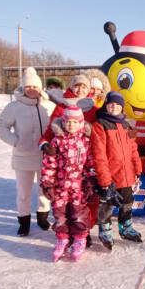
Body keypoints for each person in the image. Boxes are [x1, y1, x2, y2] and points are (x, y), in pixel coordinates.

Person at [38, 74, 99, 246]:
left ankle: (83, 232)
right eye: (77, 86)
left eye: (84, 87)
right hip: (64, 162)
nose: (80, 89)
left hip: (85, 160)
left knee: (85, 200)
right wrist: (44, 145)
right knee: (64, 204)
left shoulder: (93, 109)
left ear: (89, 90)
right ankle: (67, 234)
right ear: (71, 88)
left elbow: (99, 133)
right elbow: (50, 131)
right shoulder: (61, 107)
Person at [0, 67, 51, 236]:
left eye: (35, 87)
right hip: (23, 157)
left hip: (45, 157)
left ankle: (42, 218)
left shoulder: (48, 105)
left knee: (44, 191)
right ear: (23, 88)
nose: (31, 89)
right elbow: (0, 127)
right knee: (24, 192)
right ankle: (24, 221)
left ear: (40, 88)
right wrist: (15, 141)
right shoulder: (14, 106)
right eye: (28, 87)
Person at [40, 106, 94, 261]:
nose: (71, 125)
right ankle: (62, 239)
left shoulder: (85, 141)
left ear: (81, 123)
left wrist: (90, 180)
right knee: (59, 214)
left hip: (78, 187)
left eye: (74, 122)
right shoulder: (57, 141)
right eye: (68, 122)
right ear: (63, 123)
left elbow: (90, 163)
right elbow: (50, 164)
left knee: (79, 214)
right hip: (60, 186)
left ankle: (79, 239)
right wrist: (48, 183)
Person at [91, 92, 143, 249]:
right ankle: (105, 230)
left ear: (122, 107)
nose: (114, 107)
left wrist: (137, 169)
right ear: (106, 105)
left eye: (117, 104)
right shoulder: (100, 125)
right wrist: (105, 180)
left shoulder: (126, 125)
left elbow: (133, 149)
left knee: (127, 202)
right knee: (107, 204)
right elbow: (99, 154)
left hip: (126, 174)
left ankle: (126, 227)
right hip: (110, 176)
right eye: (111, 104)